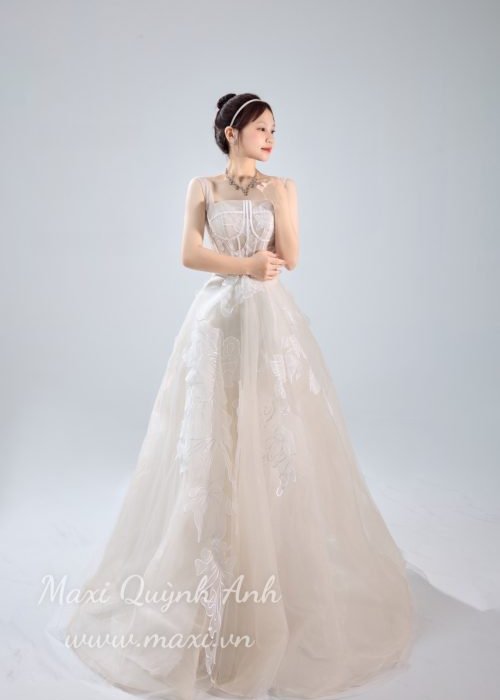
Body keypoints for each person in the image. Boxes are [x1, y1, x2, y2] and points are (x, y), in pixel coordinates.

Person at [63, 92, 416, 700]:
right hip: (216, 323)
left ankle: (275, 581)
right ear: (232, 132)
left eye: (275, 130)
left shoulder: (284, 187)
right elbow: (188, 254)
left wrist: (274, 213)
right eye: (261, 129)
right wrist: (246, 265)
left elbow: (292, 257)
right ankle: (210, 590)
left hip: (268, 322)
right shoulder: (202, 187)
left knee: (272, 439)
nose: (271, 138)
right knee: (213, 440)